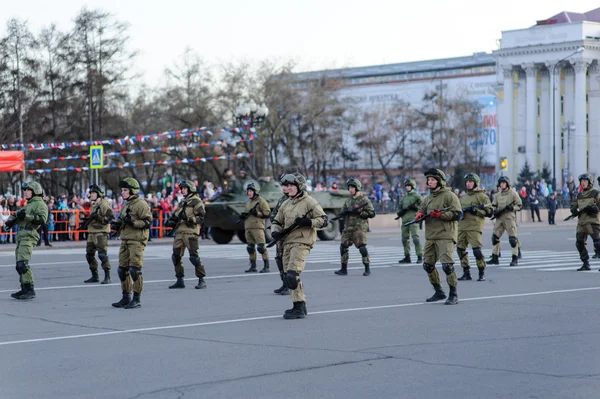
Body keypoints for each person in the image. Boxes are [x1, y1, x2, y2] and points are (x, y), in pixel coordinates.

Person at [272, 173, 327, 319]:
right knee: (286, 276)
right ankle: (298, 306)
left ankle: (299, 307)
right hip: (287, 242)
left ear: (299, 186)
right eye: (285, 185)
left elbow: (323, 220)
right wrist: (275, 232)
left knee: (292, 274)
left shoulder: (309, 202)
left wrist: (308, 223)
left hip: (302, 242)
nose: (287, 188)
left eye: (290, 185)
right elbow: (276, 222)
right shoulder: (286, 203)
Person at [417, 169, 462, 305]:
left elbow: (457, 214)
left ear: (440, 181)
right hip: (431, 236)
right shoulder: (428, 198)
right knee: (427, 265)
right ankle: (439, 291)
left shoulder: (449, 196)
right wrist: (419, 214)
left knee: (447, 266)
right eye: (428, 180)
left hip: (445, 235)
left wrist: (440, 215)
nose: (429, 182)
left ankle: (453, 294)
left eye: (432, 179)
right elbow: (422, 209)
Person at [110, 178, 152, 309]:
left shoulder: (141, 204)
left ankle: (136, 299)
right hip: (125, 239)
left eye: (125, 190)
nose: (122, 192)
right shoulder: (126, 204)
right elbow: (123, 219)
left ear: (133, 190)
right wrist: (116, 223)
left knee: (135, 270)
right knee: (122, 270)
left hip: (137, 240)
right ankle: (125, 297)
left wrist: (133, 223)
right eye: (122, 190)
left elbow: (148, 222)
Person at [4, 182, 48, 300]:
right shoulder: (28, 205)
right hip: (21, 235)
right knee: (19, 265)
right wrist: (10, 221)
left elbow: (42, 220)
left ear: (35, 191)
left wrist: (27, 217)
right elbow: (18, 214)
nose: (25, 192)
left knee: (23, 263)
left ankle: (30, 289)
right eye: (25, 190)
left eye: (28, 190)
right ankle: (24, 288)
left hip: (29, 234)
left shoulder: (40, 204)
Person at [166, 180, 208, 289]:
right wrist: (171, 221)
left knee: (194, 257)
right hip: (179, 233)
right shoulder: (183, 202)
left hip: (190, 233)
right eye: (182, 188)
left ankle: (201, 279)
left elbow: (201, 218)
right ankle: (180, 280)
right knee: (176, 257)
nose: (182, 190)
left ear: (190, 189)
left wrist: (188, 218)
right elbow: (177, 216)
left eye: (185, 188)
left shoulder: (196, 201)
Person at [334, 179, 376, 276]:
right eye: (349, 187)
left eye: (352, 187)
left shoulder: (364, 200)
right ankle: (343, 269)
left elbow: (372, 213)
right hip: (348, 228)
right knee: (343, 247)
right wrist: (342, 213)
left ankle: (367, 268)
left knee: (362, 248)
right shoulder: (348, 201)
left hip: (359, 228)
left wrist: (360, 212)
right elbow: (343, 211)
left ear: (357, 188)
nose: (350, 189)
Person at [456, 173, 493, 282]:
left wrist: (476, 210)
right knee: (460, 249)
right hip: (462, 226)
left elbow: (490, 212)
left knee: (476, 250)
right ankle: (466, 272)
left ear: (475, 183)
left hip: (474, 227)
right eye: (467, 182)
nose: (468, 184)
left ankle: (481, 272)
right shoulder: (463, 198)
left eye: (470, 182)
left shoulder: (482, 196)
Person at [488, 176, 522, 266]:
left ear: (507, 184)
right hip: (499, 218)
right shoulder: (498, 195)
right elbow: (494, 205)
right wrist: (494, 211)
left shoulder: (513, 193)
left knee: (512, 239)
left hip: (509, 217)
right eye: (501, 183)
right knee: (495, 237)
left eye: (504, 183)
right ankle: (495, 257)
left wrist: (512, 208)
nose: (502, 184)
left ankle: (515, 258)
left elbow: (519, 205)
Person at [83, 185, 114, 284]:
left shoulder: (103, 205)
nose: (90, 194)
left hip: (101, 233)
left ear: (98, 194)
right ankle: (95, 276)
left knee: (102, 255)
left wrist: (99, 218)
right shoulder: (94, 205)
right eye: (90, 193)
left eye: (93, 193)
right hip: (92, 232)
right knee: (89, 255)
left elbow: (110, 218)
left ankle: (107, 276)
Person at [570, 174, 600, 271]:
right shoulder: (580, 194)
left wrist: (594, 208)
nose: (583, 183)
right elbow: (574, 204)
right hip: (581, 222)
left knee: (597, 242)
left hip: (592, 221)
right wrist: (573, 210)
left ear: (589, 182)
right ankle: (585, 263)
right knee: (579, 243)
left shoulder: (596, 193)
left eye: (585, 181)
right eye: (581, 181)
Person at [242, 183, 271, 273]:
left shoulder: (261, 201)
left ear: (256, 192)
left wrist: (257, 213)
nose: (249, 193)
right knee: (250, 247)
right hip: (248, 227)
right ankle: (253, 266)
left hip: (258, 227)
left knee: (261, 247)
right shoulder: (248, 202)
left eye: (251, 191)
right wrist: (243, 216)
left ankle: (266, 266)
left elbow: (267, 213)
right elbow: (246, 213)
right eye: (248, 191)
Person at [396, 179, 423, 264]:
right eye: (406, 186)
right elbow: (399, 208)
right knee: (404, 239)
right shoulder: (404, 197)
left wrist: (416, 208)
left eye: (409, 186)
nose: (407, 187)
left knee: (415, 238)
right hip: (404, 220)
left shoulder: (417, 196)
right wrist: (400, 212)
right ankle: (407, 256)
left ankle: (419, 256)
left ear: (412, 186)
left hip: (414, 220)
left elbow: (423, 206)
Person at [272, 175, 290, 295]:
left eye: (287, 185)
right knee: (279, 259)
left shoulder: (297, 200)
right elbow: (274, 214)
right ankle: (284, 283)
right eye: (283, 185)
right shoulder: (282, 199)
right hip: (281, 235)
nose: (284, 188)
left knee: (288, 260)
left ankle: (290, 285)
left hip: (291, 236)